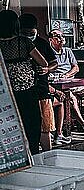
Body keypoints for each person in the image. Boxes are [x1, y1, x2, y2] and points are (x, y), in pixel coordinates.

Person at [0, 10, 48, 155]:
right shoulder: (24, 42)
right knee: (31, 123)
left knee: (9, 125)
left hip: (6, 93)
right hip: (27, 90)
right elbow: (43, 62)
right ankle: (32, 153)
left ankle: (14, 156)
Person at [19, 13, 59, 151]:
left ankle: (47, 155)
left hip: (42, 89)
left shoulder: (42, 43)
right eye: (24, 33)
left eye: (31, 32)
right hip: (24, 92)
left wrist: (47, 69)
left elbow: (54, 63)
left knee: (45, 127)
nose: (28, 35)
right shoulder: (18, 43)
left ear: (36, 30)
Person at [48, 29, 84, 137]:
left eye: (62, 36)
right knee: (70, 98)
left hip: (72, 83)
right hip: (59, 85)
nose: (61, 38)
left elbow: (76, 68)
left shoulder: (68, 51)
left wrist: (67, 75)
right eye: (57, 36)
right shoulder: (48, 52)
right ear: (51, 40)